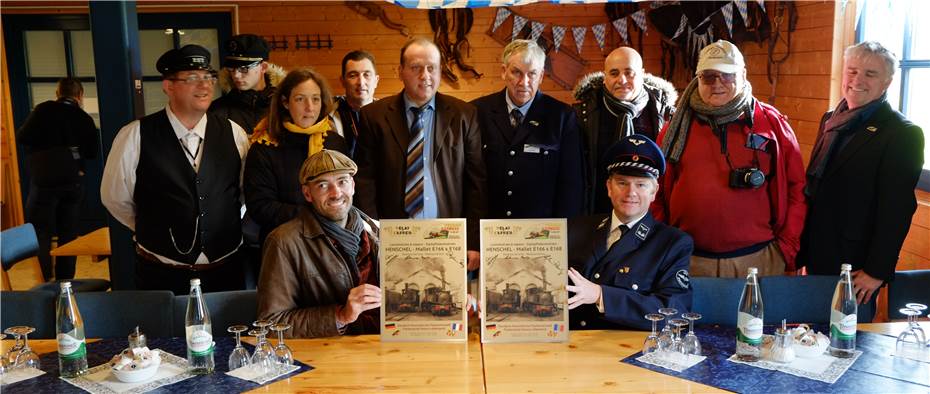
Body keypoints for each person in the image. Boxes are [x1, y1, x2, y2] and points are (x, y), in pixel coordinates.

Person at [101, 45, 250, 294]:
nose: (204, 86)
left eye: (208, 77)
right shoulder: (134, 135)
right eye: (192, 78)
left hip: (226, 273)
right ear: (168, 86)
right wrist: (156, 227)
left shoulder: (234, 132)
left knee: (230, 333)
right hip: (161, 276)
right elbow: (115, 198)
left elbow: (243, 193)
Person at [653, 40, 806, 278]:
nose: (717, 84)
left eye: (727, 75)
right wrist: (664, 244)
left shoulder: (772, 124)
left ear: (743, 75)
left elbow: (797, 188)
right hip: (689, 260)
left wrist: (786, 248)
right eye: (709, 77)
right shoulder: (674, 128)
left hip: (759, 260)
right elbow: (655, 189)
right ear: (698, 79)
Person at [798, 41, 925, 305]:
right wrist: (803, 255)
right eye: (852, 71)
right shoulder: (830, 119)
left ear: (887, 82)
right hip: (816, 252)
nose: (858, 80)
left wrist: (876, 271)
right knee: (809, 334)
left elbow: (898, 208)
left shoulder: (902, 133)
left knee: (847, 340)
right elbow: (817, 187)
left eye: (870, 74)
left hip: (856, 266)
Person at [354, 37, 486, 270]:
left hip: (448, 238)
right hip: (394, 239)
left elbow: (476, 184)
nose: (425, 76)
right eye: (416, 68)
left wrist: (474, 241)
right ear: (401, 71)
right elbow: (365, 181)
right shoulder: (373, 116)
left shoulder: (465, 115)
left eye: (432, 68)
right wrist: (373, 236)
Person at [567, 135, 693, 331]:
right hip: (570, 343)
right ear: (609, 187)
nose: (631, 193)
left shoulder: (672, 243)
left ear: (654, 192)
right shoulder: (575, 229)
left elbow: (675, 312)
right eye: (622, 183)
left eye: (641, 185)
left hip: (625, 347)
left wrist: (601, 295)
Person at [257, 149, 381, 338]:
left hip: (385, 347)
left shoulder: (378, 232)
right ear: (307, 194)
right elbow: (270, 324)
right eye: (323, 185)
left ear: (353, 185)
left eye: (342, 181)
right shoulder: (283, 242)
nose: (336, 193)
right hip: (329, 355)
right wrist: (340, 315)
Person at [471, 39, 584, 219]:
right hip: (491, 231)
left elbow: (570, 185)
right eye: (516, 72)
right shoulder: (476, 112)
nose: (524, 82)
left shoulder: (562, 117)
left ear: (541, 77)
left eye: (532, 74)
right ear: (503, 72)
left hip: (540, 234)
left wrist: (565, 236)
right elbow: (469, 182)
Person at [245, 67, 349, 247]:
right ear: (285, 102)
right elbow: (260, 206)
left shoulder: (334, 142)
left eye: (315, 99)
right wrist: (315, 216)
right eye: (300, 99)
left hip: (331, 241)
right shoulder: (264, 147)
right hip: (282, 244)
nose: (309, 107)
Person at [573, 46, 677, 214]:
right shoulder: (581, 114)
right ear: (605, 76)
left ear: (642, 74)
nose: (622, 80)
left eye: (629, 73)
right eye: (614, 73)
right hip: (596, 212)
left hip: (651, 217)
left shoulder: (665, 114)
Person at [16, 77, 99, 282]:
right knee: (68, 232)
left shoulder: (43, 110)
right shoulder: (83, 118)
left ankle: (43, 278)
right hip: (72, 181)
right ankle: (65, 281)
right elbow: (91, 152)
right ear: (79, 96)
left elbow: (22, 137)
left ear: (57, 93)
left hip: (43, 180)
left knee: (41, 232)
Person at [210, 34, 286, 134]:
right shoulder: (217, 110)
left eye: (243, 69)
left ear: (263, 67)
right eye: (231, 69)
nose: (236, 75)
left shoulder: (284, 105)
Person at [332, 50, 380, 158]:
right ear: (343, 81)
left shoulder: (389, 116)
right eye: (353, 76)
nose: (361, 82)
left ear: (376, 80)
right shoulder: (328, 116)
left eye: (366, 75)